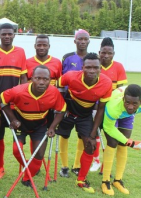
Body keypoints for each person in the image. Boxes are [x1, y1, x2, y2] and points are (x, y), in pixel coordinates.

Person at [0, 65, 66, 187]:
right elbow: (2, 100)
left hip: (40, 125)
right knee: (16, 150)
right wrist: (13, 119)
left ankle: (26, 177)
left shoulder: (53, 92)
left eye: (45, 79)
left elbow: (62, 110)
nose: (41, 82)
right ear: (31, 79)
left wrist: (52, 127)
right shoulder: (18, 90)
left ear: (50, 80)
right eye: (38, 78)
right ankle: (29, 168)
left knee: (39, 155)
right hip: (21, 124)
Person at [56, 53, 112, 193]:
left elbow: (100, 109)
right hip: (68, 111)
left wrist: (93, 135)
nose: (92, 71)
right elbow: (58, 86)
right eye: (88, 67)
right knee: (64, 136)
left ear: (100, 68)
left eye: (96, 68)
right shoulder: (71, 76)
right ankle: (64, 167)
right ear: (82, 67)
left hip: (85, 116)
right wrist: (61, 108)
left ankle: (81, 179)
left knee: (90, 145)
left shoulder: (106, 83)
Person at [0, 23, 27, 179]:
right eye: (4, 34)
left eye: (10, 34)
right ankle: (0, 167)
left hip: (15, 105)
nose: (7, 36)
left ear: (14, 34)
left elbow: (23, 78)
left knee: (18, 136)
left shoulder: (20, 52)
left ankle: (24, 165)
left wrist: (23, 97)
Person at [101, 84, 141, 195]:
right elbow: (108, 128)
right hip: (115, 112)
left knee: (123, 143)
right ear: (123, 99)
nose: (130, 106)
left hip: (127, 116)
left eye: (135, 103)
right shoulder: (113, 108)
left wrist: (127, 142)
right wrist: (131, 143)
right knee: (112, 142)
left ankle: (118, 180)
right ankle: (105, 181)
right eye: (127, 102)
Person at [89, 37, 128, 172]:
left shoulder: (118, 67)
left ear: (113, 54)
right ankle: (96, 161)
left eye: (109, 53)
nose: (106, 55)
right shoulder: (95, 67)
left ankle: (106, 166)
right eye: (103, 53)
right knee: (94, 134)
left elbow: (121, 90)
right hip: (96, 108)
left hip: (111, 109)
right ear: (99, 52)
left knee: (110, 137)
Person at [59, 29, 91, 177]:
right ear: (75, 41)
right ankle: (64, 166)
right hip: (68, 102)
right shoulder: (67, 57)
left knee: (82, 136)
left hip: (86, 105)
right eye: (80, 39)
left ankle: (77, 165)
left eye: (85, 39)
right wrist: (61, 104)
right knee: (64, 135)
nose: (82, 41)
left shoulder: (93, 58)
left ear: (89, 41)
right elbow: (61, 83)